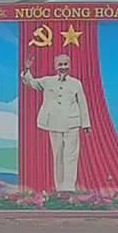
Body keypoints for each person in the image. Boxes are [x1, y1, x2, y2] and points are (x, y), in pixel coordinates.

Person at [23, 53, 91, 192]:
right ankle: (60, 187)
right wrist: (27, 69)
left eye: (66, 64)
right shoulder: (48, 81)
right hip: (54, 122)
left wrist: (86, 124)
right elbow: (31, 83)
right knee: (58, 155)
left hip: (72, 123)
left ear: (70, 65)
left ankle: (69, 187)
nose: (63, 67)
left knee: (71, 156)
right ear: (55, 66)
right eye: (60, 64)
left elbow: (82, 103)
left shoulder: (76, 83)